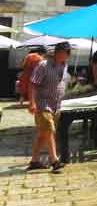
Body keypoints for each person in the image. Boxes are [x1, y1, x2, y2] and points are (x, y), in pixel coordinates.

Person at [27, 42, 70, 172]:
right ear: (56, 52)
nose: (65, 55)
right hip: (43, 103)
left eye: (67, 53)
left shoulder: (64, 65)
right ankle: (54, 160)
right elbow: (33, 83)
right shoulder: (43, 65)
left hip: (56, 105)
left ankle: (34, 161)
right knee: (49, 130)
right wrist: (32, 102)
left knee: (43, 134)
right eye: (63, 52)